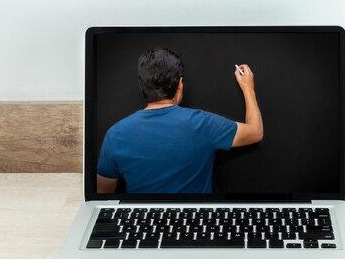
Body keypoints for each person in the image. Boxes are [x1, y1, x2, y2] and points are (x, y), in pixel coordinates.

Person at [97, 47, 263, 193]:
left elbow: (102, 194)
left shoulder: (115, 134)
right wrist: (248, 88)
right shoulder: (203, 124)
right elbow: (256, 132)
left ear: (142, 87)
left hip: (144, 223)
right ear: (180, 84)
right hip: (195, 225)